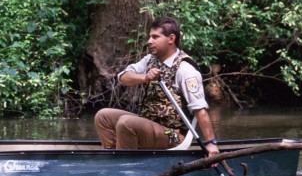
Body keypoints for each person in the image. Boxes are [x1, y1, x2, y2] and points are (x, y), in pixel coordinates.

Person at [94, 17, 220, 156]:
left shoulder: (186, 70)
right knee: (103, 116)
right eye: (149, 37)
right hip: (149, 124)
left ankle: (125, 167)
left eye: (155, 37)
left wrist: (210, 143)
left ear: (171, 39)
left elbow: (199, 110)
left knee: (126, 123)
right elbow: (123, 78)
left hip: (172, 134)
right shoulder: (150, 60)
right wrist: (145, 77)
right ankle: (114, 157)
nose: (149, 41)